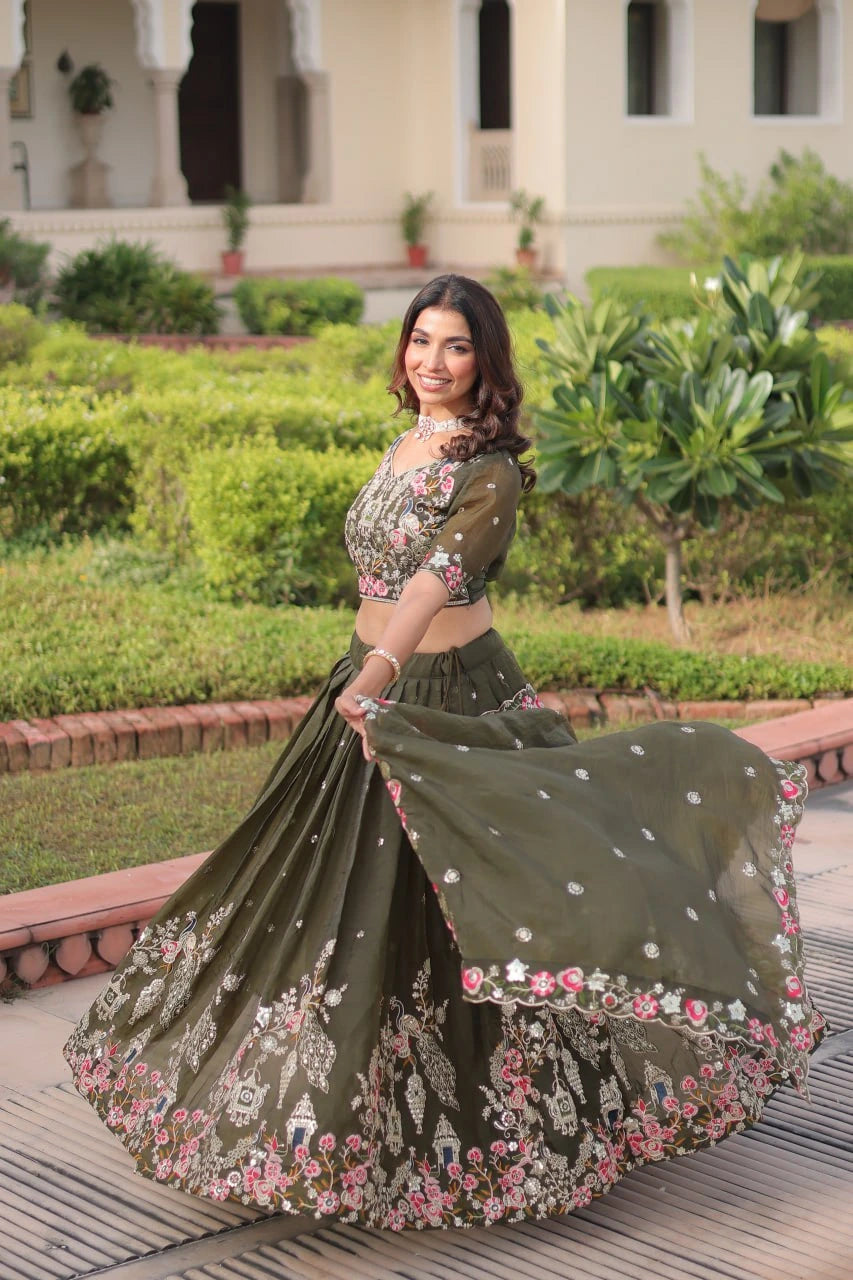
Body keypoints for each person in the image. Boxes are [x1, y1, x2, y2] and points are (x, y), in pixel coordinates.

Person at [65, 274, 825, 1232]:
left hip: (440, 698)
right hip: (367, 686)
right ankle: (333, 1116)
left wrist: (378, 672)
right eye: (419, 340)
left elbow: (435, 580)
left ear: (486, 361)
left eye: (454, 346)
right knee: (328, 903)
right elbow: (379, 564)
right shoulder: (408, 440)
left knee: (470, 908)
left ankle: (501, 1129)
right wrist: (364, 666)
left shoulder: (490, 470)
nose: (431, 361)